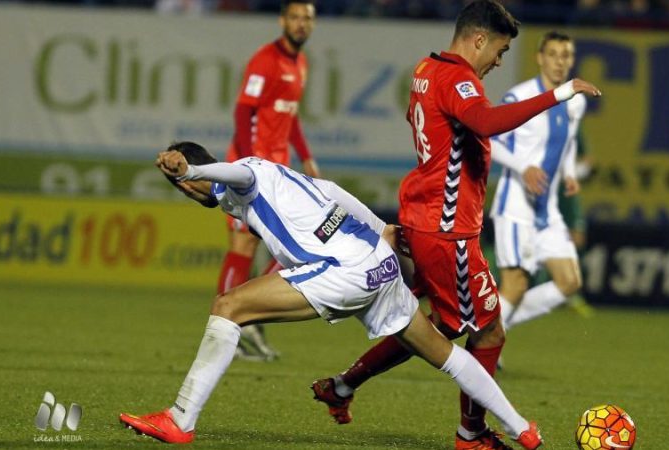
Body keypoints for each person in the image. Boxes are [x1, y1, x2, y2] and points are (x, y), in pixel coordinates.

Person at [118, 142, 543, 449]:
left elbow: (239, 174)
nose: (186, 190)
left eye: (183, 182)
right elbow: (332, 191)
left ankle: (179, 420)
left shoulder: (247, 173)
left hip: (345, 271)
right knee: (445, 355)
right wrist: (380, 228)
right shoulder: (275, 183)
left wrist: (189, 172)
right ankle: (523, 430)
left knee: (228, 306)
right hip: (378, 262)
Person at [310, 3, 601, 449]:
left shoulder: (426, 69)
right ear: (479, 39)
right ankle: (473, 434)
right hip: (447, 231)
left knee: (435, 327)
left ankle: (343, 385)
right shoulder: (458, 78)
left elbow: (428, 127)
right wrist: (559, 94)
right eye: (500, 50)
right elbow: (485, 123)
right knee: (488, 330)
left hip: (424, 218)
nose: (498, 62)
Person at [219, 0, 320, 362]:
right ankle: (228, 323)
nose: (300, 24)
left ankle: (248, 317)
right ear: (282, 21)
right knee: (243, 244)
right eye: (294, 18)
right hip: (253, 168)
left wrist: (306, 155)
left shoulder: (301, 63)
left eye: (306, 18)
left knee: (291, 245)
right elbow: (243, 111)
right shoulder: (265, 59)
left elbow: (289, 117)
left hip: (279, 170)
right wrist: (247, 163)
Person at [489, 31, 587, 330]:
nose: (560, 62)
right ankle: (485, 344)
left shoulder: (575, 101)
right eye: (553, 54)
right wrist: (523, 167)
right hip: (516, 207)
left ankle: (494, 330)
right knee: (515, 286)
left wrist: (569, 172)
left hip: (548, 210)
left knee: (569, 281)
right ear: (540, 58)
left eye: (566, 55)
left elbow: (567, 141)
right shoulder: (520, 97)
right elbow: (489, 140)